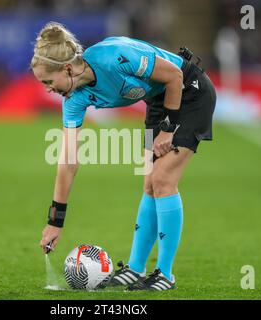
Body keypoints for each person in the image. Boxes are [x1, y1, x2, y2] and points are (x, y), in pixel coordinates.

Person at [32, 22, 216, 291]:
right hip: (159, 102)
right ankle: (135, 268)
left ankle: (165, 274)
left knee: (163, 179)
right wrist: (54, 222)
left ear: (67, 68)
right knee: (149, 182)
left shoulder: (115, 56)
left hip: (188, 92)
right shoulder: (74, 100)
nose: (48, 89)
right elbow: (68, 161)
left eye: (48, 81)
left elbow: (175, 76)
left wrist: (168, 128)